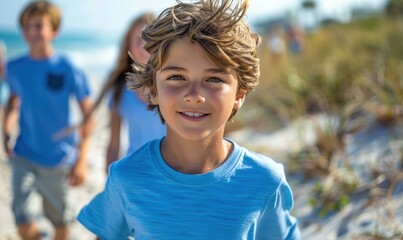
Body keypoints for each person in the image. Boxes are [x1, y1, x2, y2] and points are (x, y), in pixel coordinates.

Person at [78, 0, 300, 239]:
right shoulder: (125, 177)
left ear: (239, 94)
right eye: (176, 77)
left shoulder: (264, 180)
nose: (194, 95)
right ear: (153, 90)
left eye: (213, 79)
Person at [3, 1, 93, 240]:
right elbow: (13, 101)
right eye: (27, 27)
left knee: (60, 222)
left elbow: (88, 114)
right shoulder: (13, 67)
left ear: (54, 31)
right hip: (24, 154)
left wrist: (82, 159)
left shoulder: (68, 67)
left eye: (39, 26)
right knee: (22, 219)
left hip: (59, 158)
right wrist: (7, 128)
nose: (32, 32)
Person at [89, 13, 166, 171]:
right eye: (138, 40)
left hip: (173, 172)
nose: (144, 45)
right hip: (135, 172)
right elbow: (113, 144)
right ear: (129, 45)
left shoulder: (174, 84)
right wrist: (110, 183)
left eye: (150, 39)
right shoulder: (120, 88)